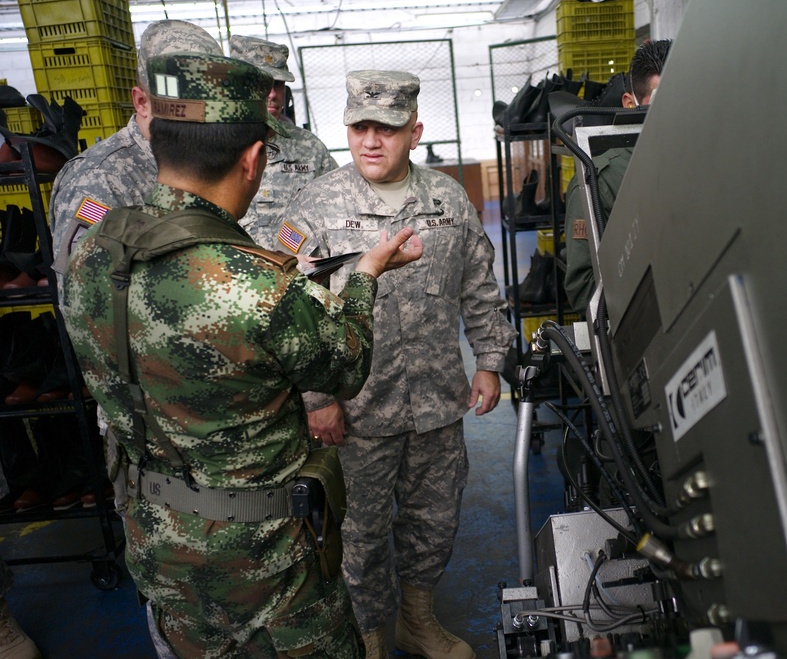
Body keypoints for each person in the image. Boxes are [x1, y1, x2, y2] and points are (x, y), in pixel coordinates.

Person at [60, 52, 422, 658]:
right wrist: (364, 275)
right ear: (254, 159)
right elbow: (346, 365)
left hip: (159, 548)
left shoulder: (94, 254)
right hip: (266, 569)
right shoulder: (257, 285)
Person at [276, 70, 516, 659]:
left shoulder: (447, 199)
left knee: (432, 523)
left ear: (415, 131)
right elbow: (287, 310)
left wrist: (489, 359)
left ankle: (417, 620)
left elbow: (479, 288)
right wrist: (317, 398)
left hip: (436, 401)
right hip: (356, 412)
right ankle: (370, 634)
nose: (371, 141)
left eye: (387, 128)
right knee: (357, 535)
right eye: (359, 126)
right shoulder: (316, 207)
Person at [48, 20, 223, 281]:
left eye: (208, 98)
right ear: (142, 102)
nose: (198, 112)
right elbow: (83, 296)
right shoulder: (97, 178)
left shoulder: (209, 158)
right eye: (180, 100)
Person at [563, 40, 671, 315]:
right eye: (661, 102)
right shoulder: (597, 182)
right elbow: (583, 288)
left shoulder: (707, 159)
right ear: (629, 104)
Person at [228, 35, 338, 243]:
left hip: (297, 270)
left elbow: (338, 210)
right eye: (261, 83)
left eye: (278, 84)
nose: (272, 94)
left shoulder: (309, 148)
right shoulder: (213, 144)